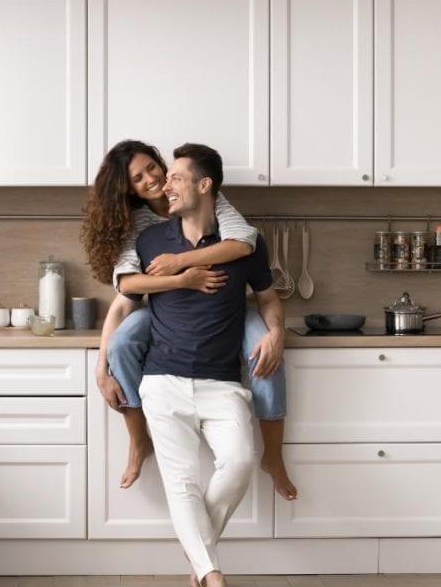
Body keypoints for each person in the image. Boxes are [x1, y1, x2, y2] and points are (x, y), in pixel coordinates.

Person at [81, 140, 296, 500]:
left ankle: (273, 456)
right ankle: (138, 440)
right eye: (138, 177)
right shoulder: (140, 228)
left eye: (154, 167)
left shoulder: (206, 195)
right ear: (128, 189)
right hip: (164, 307)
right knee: (120, 345)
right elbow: (126, 289)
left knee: (267, 353)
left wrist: (182, 262)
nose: (153, 179)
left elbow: (243, 244)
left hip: (226, 308)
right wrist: (100, 369)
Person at [123, 143, 283, 587]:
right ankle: (215, 581)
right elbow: (125, 288)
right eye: (163, 178)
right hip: (162, 379)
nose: (164, 186)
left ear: (204, 185)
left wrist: (275, 331)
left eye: (174, 178)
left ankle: (198, 555)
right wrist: (177, 275)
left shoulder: (244, 241)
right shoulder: (152, 240)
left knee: (241, 460)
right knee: (181, 482)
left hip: (221, 382)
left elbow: (270, 298)